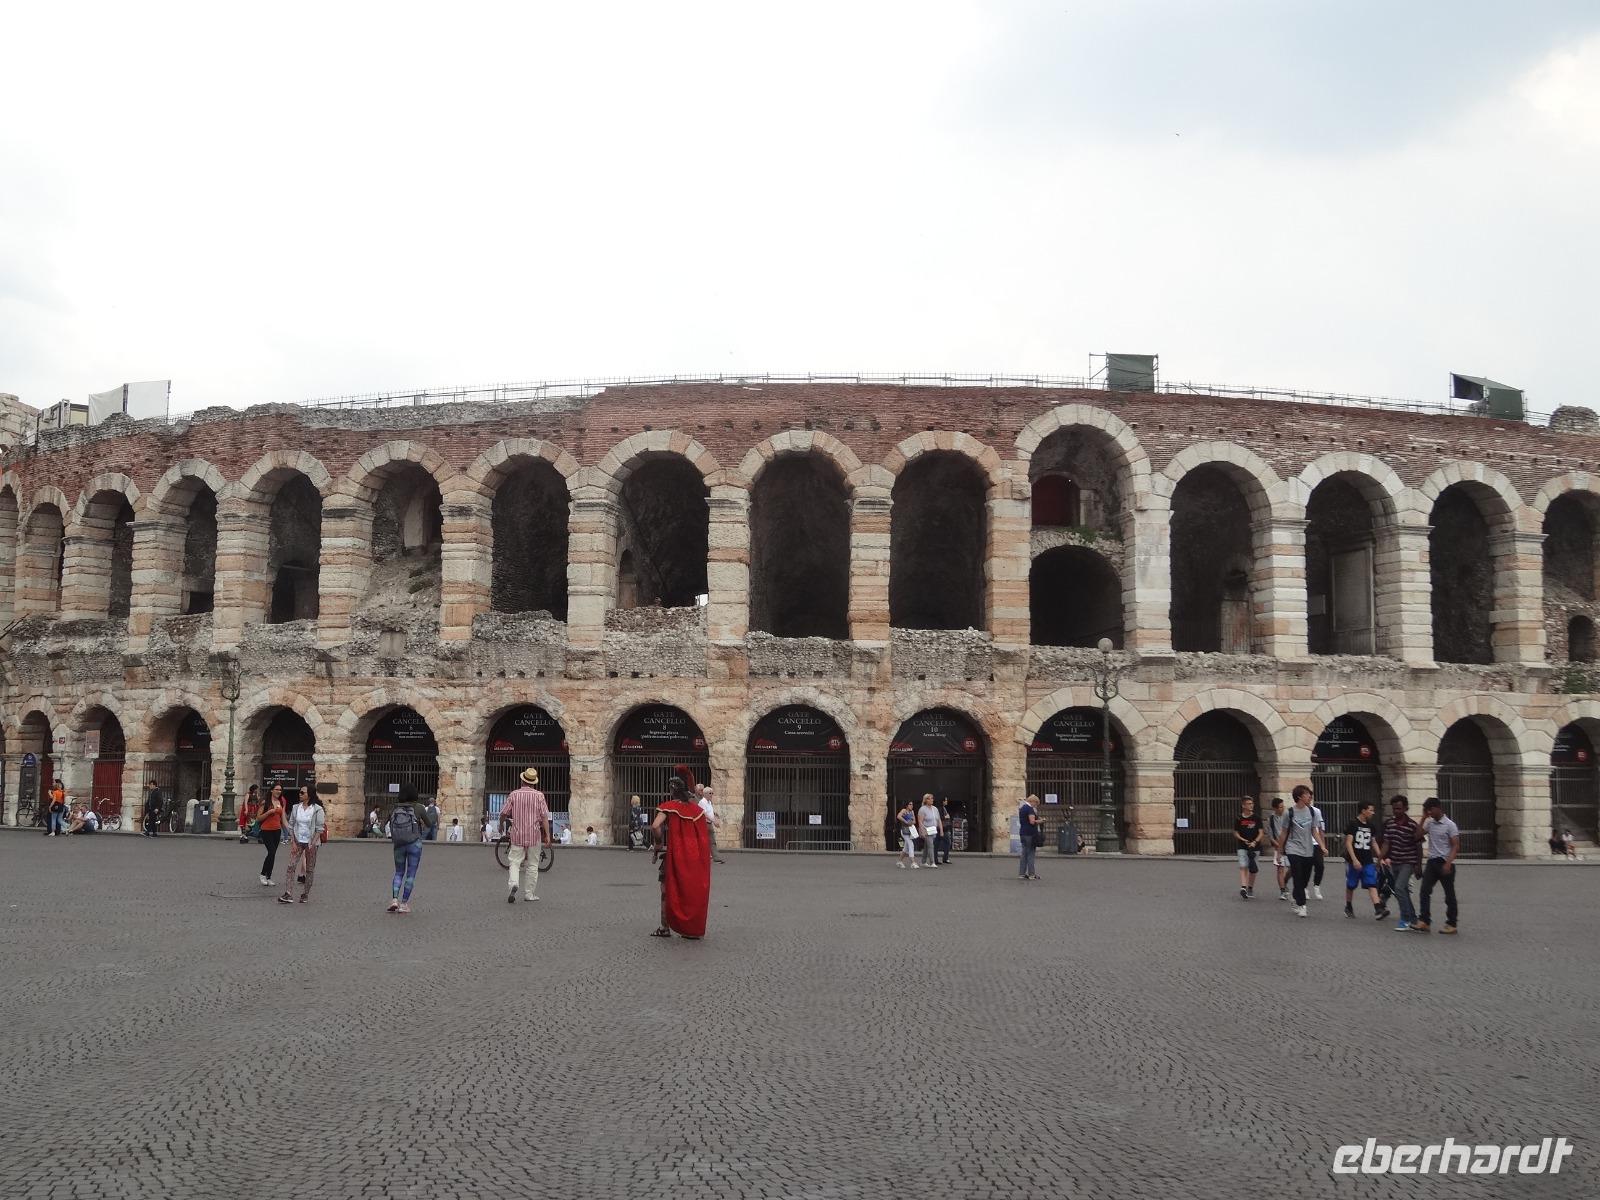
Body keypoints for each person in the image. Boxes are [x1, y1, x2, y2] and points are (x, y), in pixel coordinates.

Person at [650, 767, 711, 938]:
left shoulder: (669, 807)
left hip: (674, 857)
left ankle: (664, 927)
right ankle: (690, 929)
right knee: (690, 890)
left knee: (665, 890)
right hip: (695, 858)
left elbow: (655, 826)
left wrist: (658, 842)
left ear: (672, 791)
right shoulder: (698, 811)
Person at [500, 767, 552, 904]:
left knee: (514, 862)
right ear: (533, 782)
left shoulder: (514, 794)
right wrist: (547, 835)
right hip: (534, 835)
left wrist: (500, 825)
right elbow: (545, 817)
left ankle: (514, 884)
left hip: (517, 834)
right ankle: (529, 894)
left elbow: (504, 813)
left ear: (522, 780)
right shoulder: (539, 795)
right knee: (533, 865)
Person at [1275, 784, 1327, 917]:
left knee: (1305, 878)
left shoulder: (1312, 812)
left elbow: (1314, 831)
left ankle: (1295, 895)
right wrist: (1280, 850)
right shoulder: (1289, 813)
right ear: (1299, 797)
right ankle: (1302, 904)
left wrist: (1322, 846)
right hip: (1293, 848)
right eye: (1306, 794)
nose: (1309, 796)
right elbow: (1284, 832)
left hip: (1308, 849)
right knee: (1297, 874)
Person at [385, 783, 433, 914]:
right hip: (414, 844)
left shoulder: (395, 808)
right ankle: (404, 904)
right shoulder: (419, 807)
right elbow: (429, 824)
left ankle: (394, 899)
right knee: (410, 874)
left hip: (398, 844)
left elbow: (389, 823)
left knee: (398, 872)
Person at [1415, 797, 1460, 934]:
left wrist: (1448, 863)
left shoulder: (1450, 825)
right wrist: (1423, 818)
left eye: (1430, 810)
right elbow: (1417, 836)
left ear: (1437, 808)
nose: (1429, 813)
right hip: (1432, 862)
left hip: (1445, 862)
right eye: (1427, 811)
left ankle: (1451, 923)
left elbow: (1455, 846)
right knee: (1424, 891)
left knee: (1449, 895)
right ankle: (1424, 921)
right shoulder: (1430, 824)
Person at [1342, 800, 1390, 921]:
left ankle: (1378, 909)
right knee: (1351, 884)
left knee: (1371, 883)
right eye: (1371, 810)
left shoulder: (1370, 826)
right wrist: (1354, 860)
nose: (1373, 813)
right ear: (1363, 811)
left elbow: (1373, 842)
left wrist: (1380, 857)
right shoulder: (1353, 824)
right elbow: (1348, 843)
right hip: (1354, 860)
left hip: (1367, 860)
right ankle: (1348, 906)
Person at [1379, 794, 1421, 930]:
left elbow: (1419, 846)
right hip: (1395, 862)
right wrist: (1380, 858)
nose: (1396, 811)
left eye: (1399, 809)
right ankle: (1414, 918)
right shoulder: (1390, 824)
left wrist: (1418, 865)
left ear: (1405, 808)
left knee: (1398, 888)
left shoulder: (1412, 825)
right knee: (1403, 891)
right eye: (1394, 809)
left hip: (1408, 862)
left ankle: (1405, 919)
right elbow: (1386, 843)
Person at [277, 790, 325, 904]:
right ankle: (288, 893)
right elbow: (292, 825)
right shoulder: (295, 808)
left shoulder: (317, 809)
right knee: (291, 866)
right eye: (300, 792)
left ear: (309, 795)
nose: (300, 794)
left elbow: (320, 828)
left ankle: (305, 894)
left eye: (303, 792)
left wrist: (312, 843)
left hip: (311, 843)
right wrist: (293, 841)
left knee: (309, 869)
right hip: (298, 841)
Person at [1234, 796, 1263, 899]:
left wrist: (1255, 842)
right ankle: (1243, 887)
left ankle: (1250, 887)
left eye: (1252, 803)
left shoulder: (1257, 818)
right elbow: (1236, 832)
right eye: (1249, 804)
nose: (1251, 805)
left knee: (1253, 868)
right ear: (1243, 805)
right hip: (1242, 845)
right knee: (1243, 866)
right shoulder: (1239, 818)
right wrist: (1242, 839)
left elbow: (1261, 832)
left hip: (1254, 846)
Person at [257, 784, 286, 887]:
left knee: (273, 854)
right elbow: (258, 818)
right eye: (277, 789)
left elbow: (283, 819)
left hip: (277, 830)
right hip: (266, 830)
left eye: (280, 790)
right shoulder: (265, 802)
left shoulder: (281, 802)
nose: (279, 791)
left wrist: (290, 830)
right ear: (271, 791)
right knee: (271, 851)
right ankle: (262, 874)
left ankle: (268, 876)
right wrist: (269, 812)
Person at [1266, 797, 1292, 899]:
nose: (1283, 808)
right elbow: (1270, 835)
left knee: (1293, 868)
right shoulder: (1271, 819)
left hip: (1290, 845)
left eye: (1283, 806)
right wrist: (1277, 845)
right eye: (1280, 807)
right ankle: (1282, 890)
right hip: (1278, 845)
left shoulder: (1289, 816)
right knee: (1280, 869)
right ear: (1275, 808)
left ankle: (1285, 880)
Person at [698, 785, 726, 864]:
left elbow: (709, 811)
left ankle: (715, 858)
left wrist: (714, 814)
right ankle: (705, 857)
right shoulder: (702, 802)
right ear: (705, 794)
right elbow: (704, 814)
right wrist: (714, 821)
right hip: (704, 824)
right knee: (705, 841)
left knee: (711, 841)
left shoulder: (709, 802)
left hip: (709, 823)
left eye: (712, 793)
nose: (711, 795)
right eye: (710, 793)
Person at [1309, 793, 1328, 901]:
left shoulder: (1316, 811)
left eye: (1311, 798)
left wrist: (1323, 845)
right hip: (1303, 844)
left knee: (1320, 866)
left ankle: (1317, 886)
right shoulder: (1295, 812)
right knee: (1305, 868)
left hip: (1315, 843)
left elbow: (1320, 829)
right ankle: (1304, 888)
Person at [1017, 794, 1041, 881]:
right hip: (1030, 834)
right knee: (1031, 854)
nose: (1036, 805)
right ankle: (1032, 874)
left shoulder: (1022, 808)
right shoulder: (1030, 809)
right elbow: (1032, 822)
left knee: (1024, 854)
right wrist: (1041, 821)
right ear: (1033, 801)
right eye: (1036, 803)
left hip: (1023, 833)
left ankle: (1022, 873)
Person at [917, 794, 942, 869]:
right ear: (925, 800)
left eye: (932, 798)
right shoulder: (922, 809)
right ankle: (932, 862)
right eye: (929, 798)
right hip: (926, 830)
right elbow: (920, 821)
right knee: (931, 846)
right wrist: (922, 831)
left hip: (933, 830)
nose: (931, 800)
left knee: (927, 846)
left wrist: (941, 830)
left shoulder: (935, 809)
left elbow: (939, 820)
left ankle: (923, 861)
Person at [895, 799, 919, 868]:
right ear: (907, 805)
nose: (912, 806)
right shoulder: (904, 811)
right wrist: (906, 821)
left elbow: (914, 821)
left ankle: (899, 861)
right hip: (904, 831)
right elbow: (898, 816)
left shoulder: (912, 812)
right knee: (911, 844)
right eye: (910, 804)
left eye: (912, 804)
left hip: (910, 830)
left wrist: (911, 822)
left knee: (906, 848)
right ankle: (913, 862)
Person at [936, 797, 953, 864]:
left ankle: (938, 859)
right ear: (942, 801)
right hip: (942, 828)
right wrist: (946, 817)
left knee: (937, 844)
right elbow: (939, 818)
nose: (947, 801)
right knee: (947, 842)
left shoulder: (943, 808)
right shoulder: (940, 808)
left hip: (943, 828)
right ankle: (944, 858)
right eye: (945, 800)